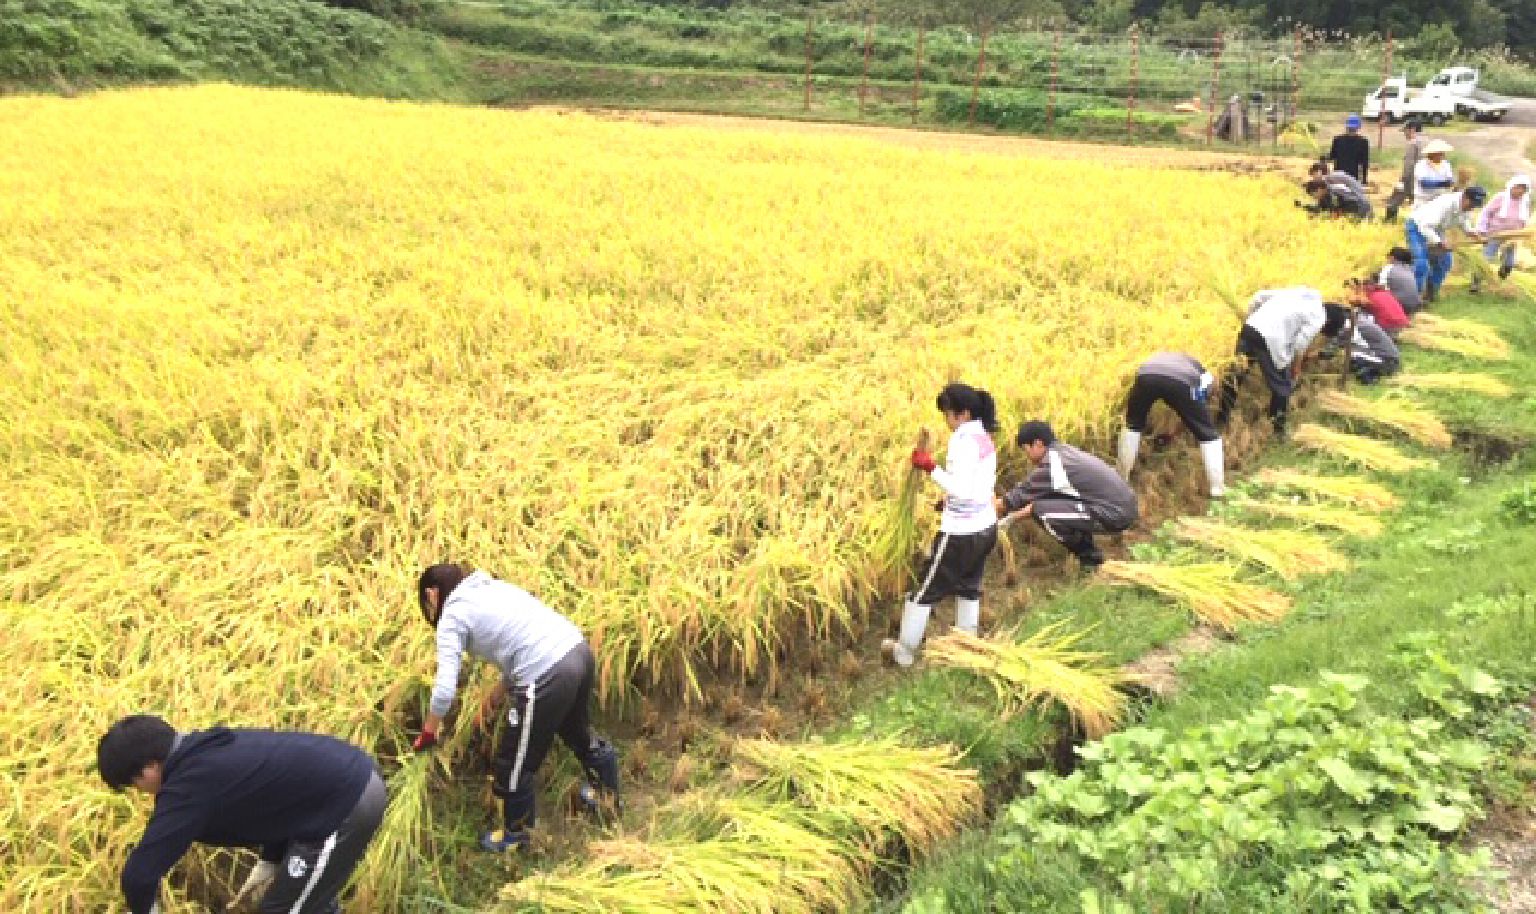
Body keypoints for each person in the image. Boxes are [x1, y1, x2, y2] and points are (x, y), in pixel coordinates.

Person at [415, 564, 620, 852]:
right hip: (577, 651)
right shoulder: (490, 588)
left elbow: (444, 688)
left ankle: (518, 837)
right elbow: (522, 643)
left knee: (514, 762)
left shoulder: (452, 614)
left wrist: (429, 732)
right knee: (576, 730)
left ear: (432, 594)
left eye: (427, 605)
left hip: (546, 673)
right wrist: (496, 696)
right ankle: (606, 796)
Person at [96, 714, 387, 914]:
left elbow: (139, 875)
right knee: (309, 903)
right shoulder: (207, 749)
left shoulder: (187, 785)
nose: (143, 792)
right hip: (351, 781)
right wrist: (270, 861)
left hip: (345, 803)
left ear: (148, 769)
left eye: (134, 785)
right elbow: (278, 797)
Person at [881, 383, 1000, 667]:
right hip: (986, 526)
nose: (946, 421)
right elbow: (977, 485)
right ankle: (967, 645)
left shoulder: (962, 440)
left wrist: (929, 467)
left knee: (924, 590)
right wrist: (948, 500)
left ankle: (904, 653)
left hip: (961, 532)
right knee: (969, 587)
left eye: (947, 414)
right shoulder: (984, 437)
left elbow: (960, 486)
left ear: (962, 414)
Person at [995, 421, 1138, 572]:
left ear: (1038, 444)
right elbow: (1039, 503)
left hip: (1116, 514)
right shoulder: (1065, 453)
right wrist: (1011, 519)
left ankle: (1091, 560)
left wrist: (987, 511)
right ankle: (1090, 555)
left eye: (1026, 449)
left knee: (1043, 512)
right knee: (1046, 506)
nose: (1027, 456)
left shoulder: (1054, 467)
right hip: (1122, 507)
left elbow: (1012, 501)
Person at [1215, 287, 1348, 437]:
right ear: (1329, 321)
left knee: (1235, 377)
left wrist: (1250, 320)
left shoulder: (1297, 293)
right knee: (1282, 387)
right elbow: (1300, 343)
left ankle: (1221, 419)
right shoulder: (1319, 316)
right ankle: (1278, 430)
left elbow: (1259, 297)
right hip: (1270, 341)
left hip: (1249, 330)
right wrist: (1296, 366)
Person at [1117, 352, 1225, 498]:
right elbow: (1200, 396)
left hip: (1146, 376)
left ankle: (1120, 479)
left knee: (1132, 425)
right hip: (1180, 382)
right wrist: (1197, 414)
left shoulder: (1163, 357)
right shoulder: (1206, 375)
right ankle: (1217, 490)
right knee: (1209, 436)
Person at [1406, 185, 1488, 302]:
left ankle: (1430, 294)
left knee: (1445, 262)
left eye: (1475, 206)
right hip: (1417, 227)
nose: (1472, 208)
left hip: (1437, 230)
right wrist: (1440, 243)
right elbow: (1425, 227)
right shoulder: (1445, 204)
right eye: (1471, 204)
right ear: (1464, 197)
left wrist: (1472, 233)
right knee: (1421, 264)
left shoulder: (1466, 208)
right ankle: (1414, 298)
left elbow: (1464, 221)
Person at [1473, 174, 1530, 287]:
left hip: (1512, 237)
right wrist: (1482, 230)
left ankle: (1499, 283)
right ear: (1512, 186)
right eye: (1518, 187)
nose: (1520, 191)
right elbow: (1486, 212)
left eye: (1523, 189)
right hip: (1494, 234)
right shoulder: (1500, 197)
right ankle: (1476, 284)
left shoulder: (1524, 202)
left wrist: (1521, 234)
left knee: (1509, 263)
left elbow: (1524, 220)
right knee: (1486, 259)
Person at [1334, 313, 1402, 384]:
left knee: (1352, 357)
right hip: (1390, 359)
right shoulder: (1363, 322)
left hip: (1387, 362)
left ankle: (1370, 375)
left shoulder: (1356, 328)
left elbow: (1340, 342)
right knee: (1352, 353)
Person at [1384, 119, 1427, 222]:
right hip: (1423, 179)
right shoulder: (1426, 142)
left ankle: (1390, 221)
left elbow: (1409, 164)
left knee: (1394, 200)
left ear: (1412, 130)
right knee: (1419, 202)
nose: (1404, 134)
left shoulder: (1412, 143)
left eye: (1405, 131)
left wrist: (1403, 179)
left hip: (1411, 178)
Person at [1378, 246, 1423, 315]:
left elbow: (1381, 288)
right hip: (1415, 305)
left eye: (1388, 257)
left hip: (1400, 306)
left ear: (1392, 257)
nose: (1387, 259)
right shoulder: (1409, 268)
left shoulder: (1388, 268)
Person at [1302, 177, 1372, 219]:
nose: (1314, 197)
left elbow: (1336, 213)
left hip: (1361, 208)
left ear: (1319, 189)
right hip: (1355, 208)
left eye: (1313, 194)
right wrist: (1304, 207)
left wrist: (1321, 218)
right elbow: (1320, 208)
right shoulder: (1325, 195)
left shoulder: (1333, 193)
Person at [1328, 114, 1370, 183]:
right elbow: (1364, 163)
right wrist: (1364, 180)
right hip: (1353, 177)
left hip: (1339, 176)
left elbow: (1332, 157)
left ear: (1347, 126)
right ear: (1358, 127)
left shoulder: (1337, 140)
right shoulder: (1363, 142)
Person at [1413, 139, 1456, 205]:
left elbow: (1449, 179)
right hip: (1424, 200)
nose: (1442, 155)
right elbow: (1424, 183)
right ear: (1432, 153)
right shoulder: (1422, 164)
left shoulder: (1445, 164)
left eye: (1443, 153)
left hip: (1439, 199)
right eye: (1440, 153)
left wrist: (1452, 183)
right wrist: (1443, 184)